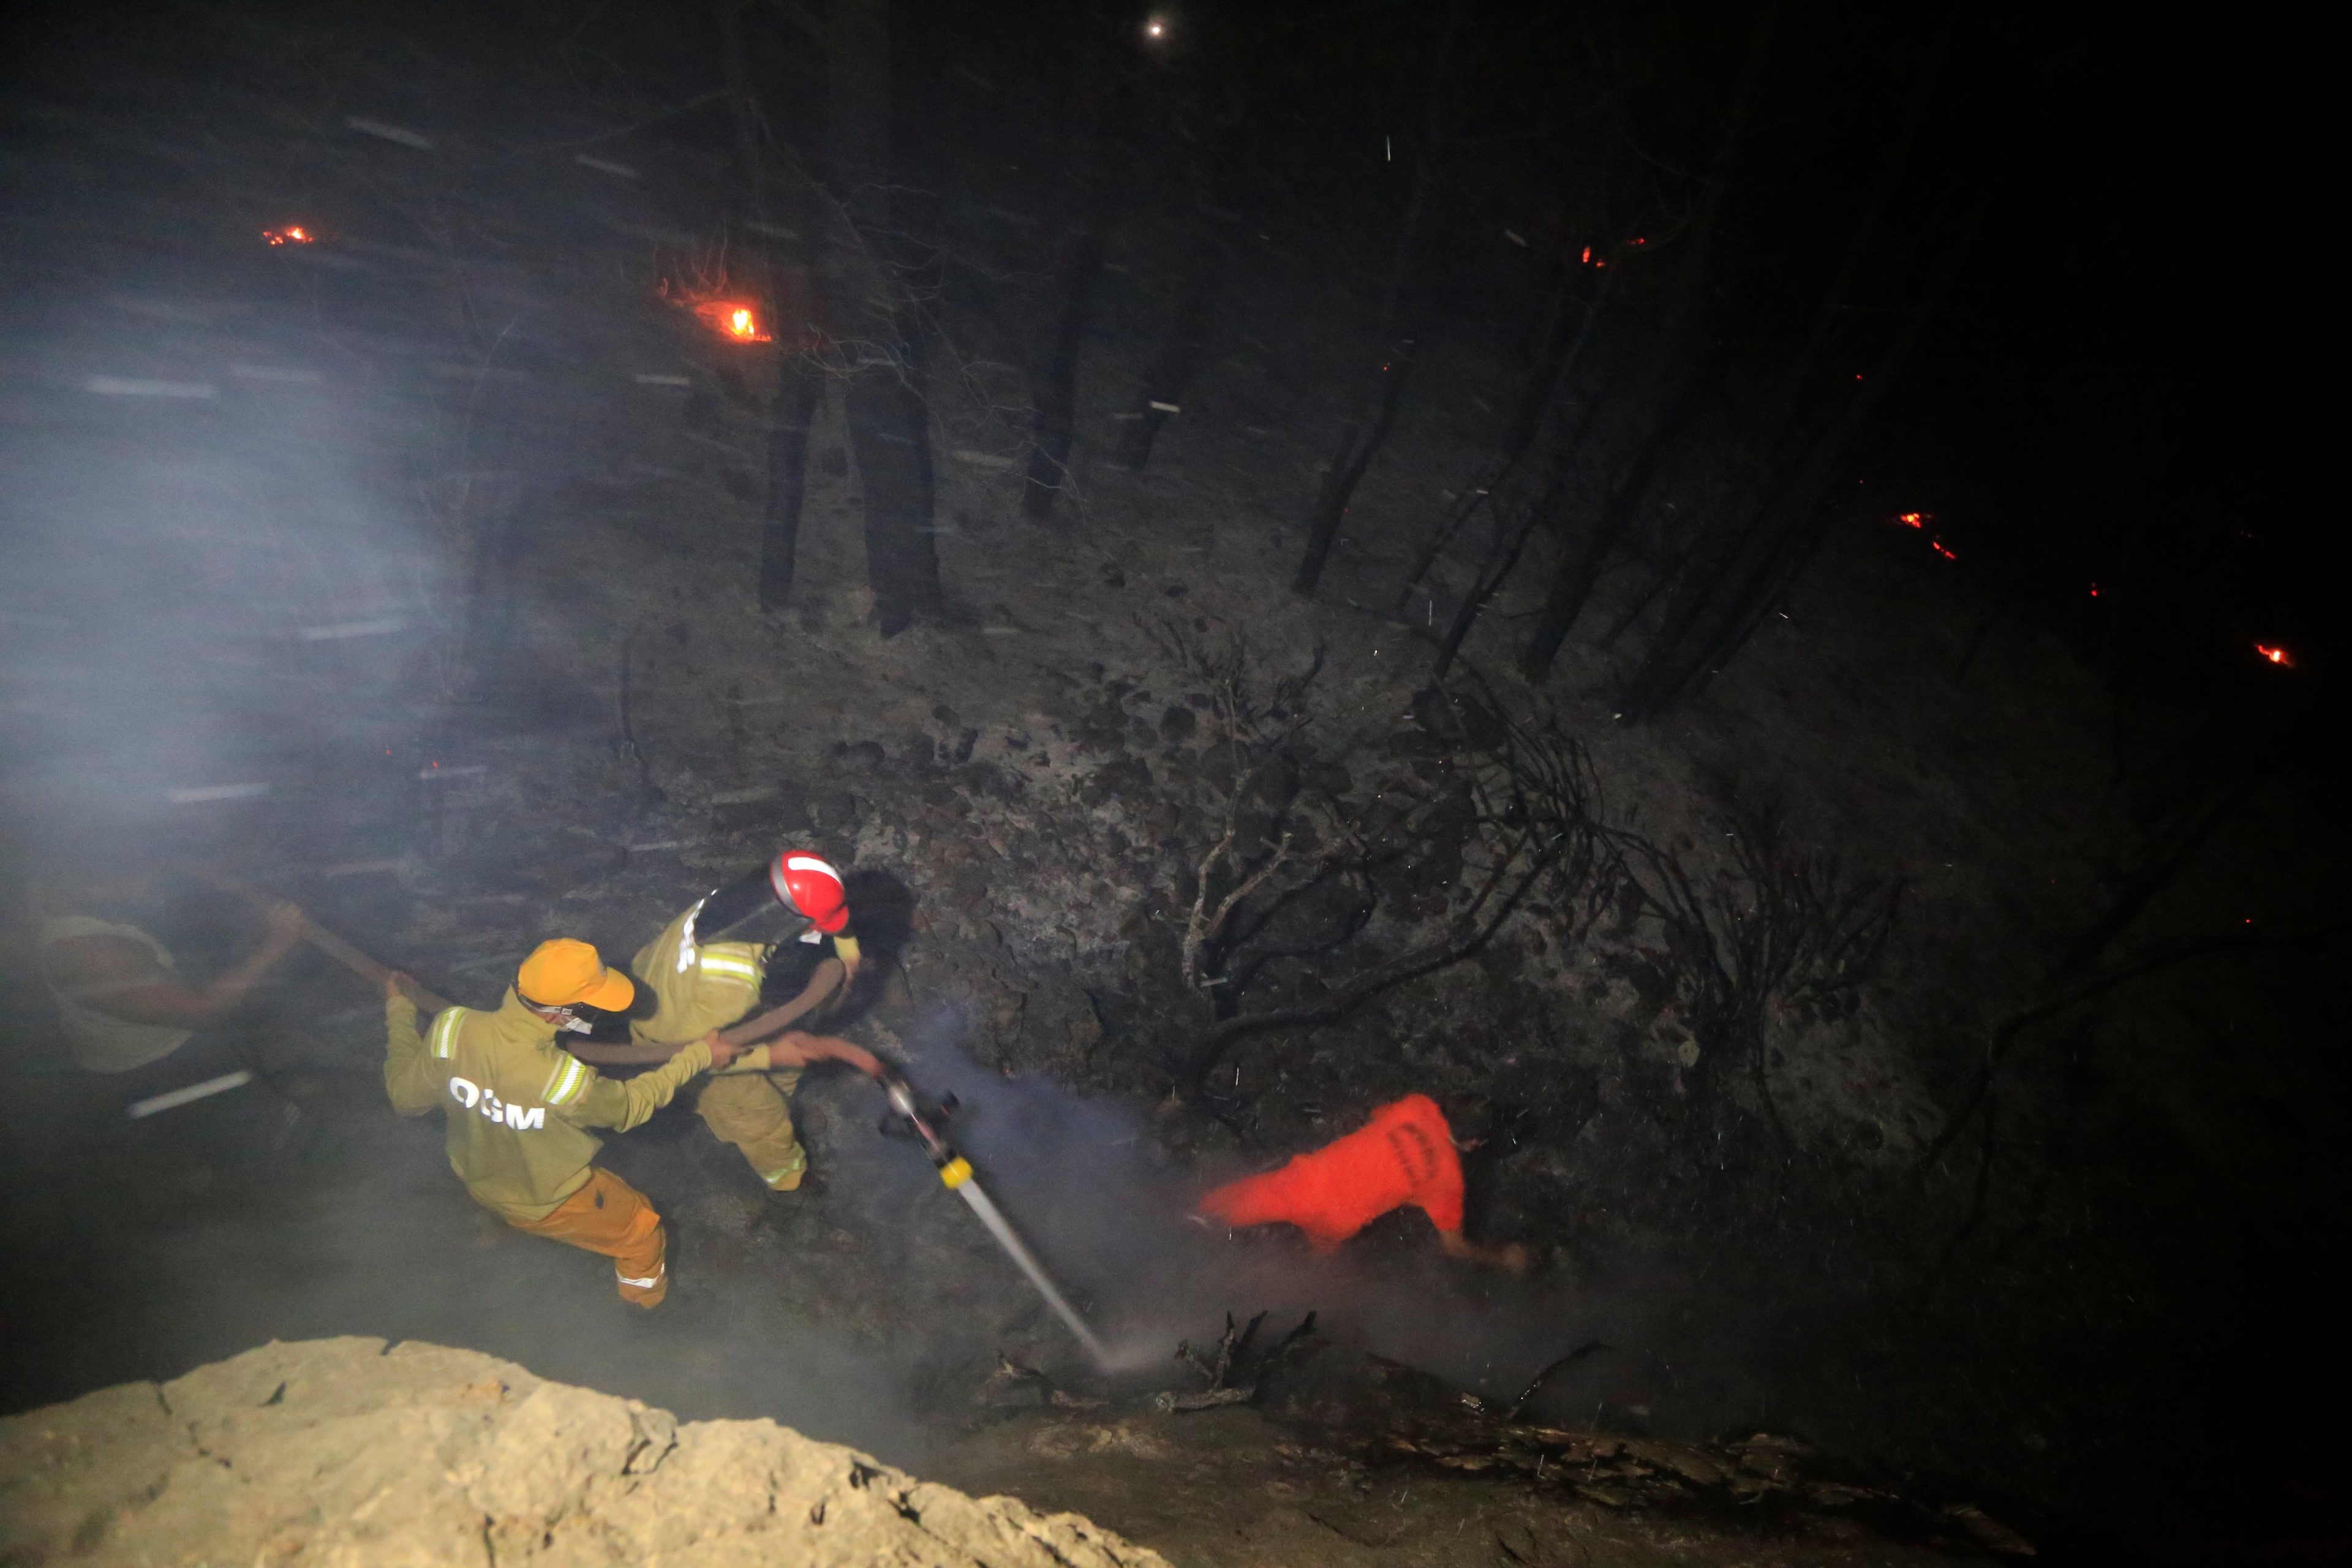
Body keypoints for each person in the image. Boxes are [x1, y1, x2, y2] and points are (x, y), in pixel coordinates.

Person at [382, 938, 740, 1308]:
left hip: (479, 1178)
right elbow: (631, 1107)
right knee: (642, 1233)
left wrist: (398, 1009)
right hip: (553, 1202)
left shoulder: (450, 1028)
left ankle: (500, 1227)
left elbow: (404, 1099)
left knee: (510, 1202)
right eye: (591, 1007)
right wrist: (698, 1057)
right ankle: (646, 1308)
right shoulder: (562, 1080)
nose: (596, 1014)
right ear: (558, 1014)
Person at [616, 850, 865, 1194]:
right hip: (682, 1047)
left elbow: (813, 917)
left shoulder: (726, 904)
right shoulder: (730, 988)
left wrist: (848, 950)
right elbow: (704, 1056)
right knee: (761, 1122)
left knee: (786, 1058)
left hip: (662, 990)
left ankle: (783, 1096)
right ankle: (790, 1182)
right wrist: (771, 1056)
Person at [34, 851, 307, 1086]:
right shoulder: (91, 955)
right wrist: (277, 943)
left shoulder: (71, 900)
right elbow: (204, 1012)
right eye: (128, 871)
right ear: (87, 882)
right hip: (152, 1068)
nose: (146, 877)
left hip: (164, 1036)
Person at [1197, 1093, 1531, 1272]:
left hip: (1307, 1180)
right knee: (1317, 1261)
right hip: (1338, 1218)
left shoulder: (1418, 1106)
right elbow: (1456, 1248)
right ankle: (1285, 1285)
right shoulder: (1449, 1183)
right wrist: (1502, 1257)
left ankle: (1187, 1225)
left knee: (1223, 1205)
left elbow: (1377, 1116)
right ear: (1476, 1144)